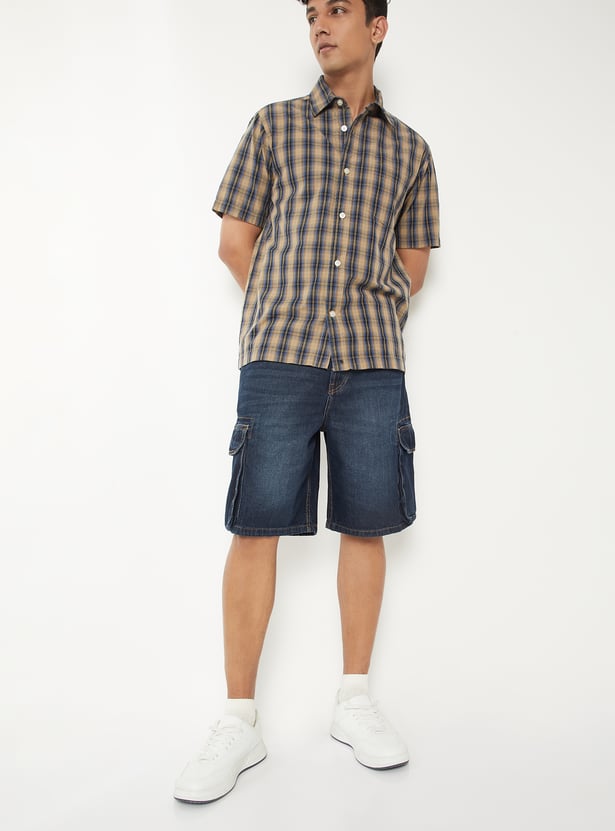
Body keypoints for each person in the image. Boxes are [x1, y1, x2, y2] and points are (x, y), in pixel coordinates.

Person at [173, 0, 440, 803]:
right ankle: (238, 720)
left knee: (367, 521)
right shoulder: (273, 125)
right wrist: (284, 308)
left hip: (371, 360)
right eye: (311, 13)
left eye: (338, 10)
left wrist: (365, 312)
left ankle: (353, 700)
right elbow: (234, 241)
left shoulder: (410, 149)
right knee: (255, 524)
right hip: (279, 356)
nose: (320, 25)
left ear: (377, 27)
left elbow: (413, 263)